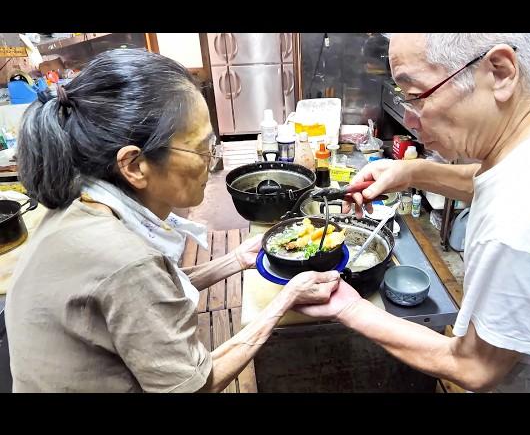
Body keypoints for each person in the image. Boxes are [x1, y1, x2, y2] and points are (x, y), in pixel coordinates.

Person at [296, 33, 530, 392]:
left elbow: (474, 366)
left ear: (500, 71)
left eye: (416, 95)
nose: (412, 120)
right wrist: (411, 172)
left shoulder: (523, 219)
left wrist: (348, 308)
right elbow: (503, 177)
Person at [6, 48, 339, 393]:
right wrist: (287, 299)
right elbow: (196, 385)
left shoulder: (83, 205)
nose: (211, 161)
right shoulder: (124, 258)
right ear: (134, 165)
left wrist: (237, 259)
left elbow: (157, 287)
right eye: (202, 148)